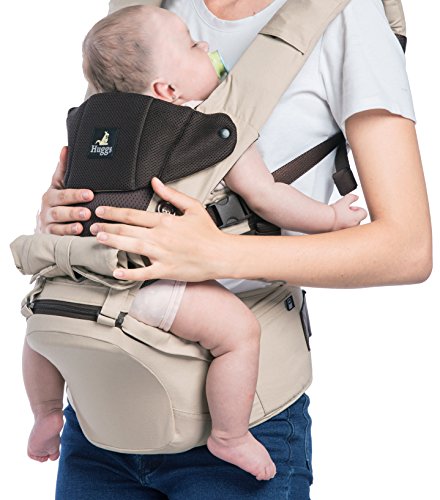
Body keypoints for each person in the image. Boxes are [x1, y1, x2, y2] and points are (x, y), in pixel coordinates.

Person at [37, 0, 432, 498]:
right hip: (100, 407)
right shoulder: (145, 15)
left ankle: (58, 412)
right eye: (193, 45)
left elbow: (408, 249)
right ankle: (51, 411)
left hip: (246, 409)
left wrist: (217, 253)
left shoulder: (343, 16)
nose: (203, 46)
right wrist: (59, 210)